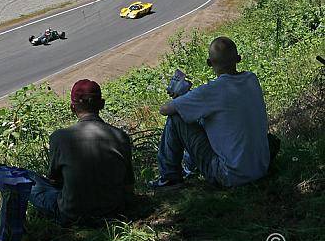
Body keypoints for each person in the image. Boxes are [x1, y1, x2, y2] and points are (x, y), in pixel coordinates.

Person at [149, 37, 271, 189]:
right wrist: (190, 99)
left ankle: (169, 177)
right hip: (261, 167)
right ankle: (190, 168)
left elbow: (164, 110)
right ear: (238, 59)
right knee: (204, 118)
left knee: (176, 117)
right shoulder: (252, 79)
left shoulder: (211, 91)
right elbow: (221, 103)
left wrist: (184, 98)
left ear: (209, 63)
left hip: (229, 175)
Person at [29, 79, 135, 225]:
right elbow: (128, 184)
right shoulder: (121, 136)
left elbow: (55, 181)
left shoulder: (59, 137)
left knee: (28, 179)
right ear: (102, 104)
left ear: (72, 108)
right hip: (113, 211)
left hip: (71, 215)